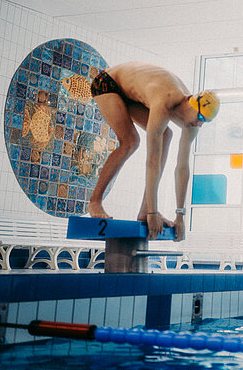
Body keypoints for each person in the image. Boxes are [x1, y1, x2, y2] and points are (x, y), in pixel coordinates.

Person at [88, 61, 219, 240]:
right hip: (109, 83)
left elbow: (182, 168)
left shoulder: (192, 123)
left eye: (206, 121)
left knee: (166, 135)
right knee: (130, 141)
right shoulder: (164, 100)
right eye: (201, 117)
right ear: (192, 105)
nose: (200, 124)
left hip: (133, 93)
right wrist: (154, 212)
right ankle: (95, 202)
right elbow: (152, 161)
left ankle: (144, 211)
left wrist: (180, 215)